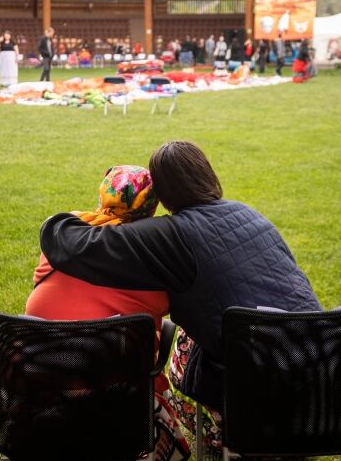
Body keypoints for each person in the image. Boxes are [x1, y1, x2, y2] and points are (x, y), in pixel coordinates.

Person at [40, 140, 321, 448]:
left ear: (163, 193)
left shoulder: (172, 234)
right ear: (208, 174)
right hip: (325, 379)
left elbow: (65, 241)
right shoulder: (249, 213)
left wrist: (76, 218)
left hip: (259, 396)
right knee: (200, 334)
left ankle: (226, 441)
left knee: (184, 349)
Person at [27, 165, 190, 461]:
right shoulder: (147, 258)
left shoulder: (65, 233)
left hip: (43, 396)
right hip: (116, 410)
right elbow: (167, 304)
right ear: (151, 208)